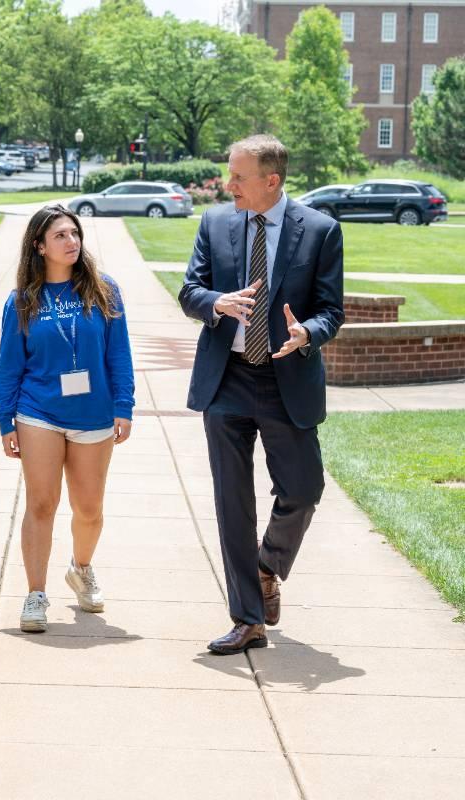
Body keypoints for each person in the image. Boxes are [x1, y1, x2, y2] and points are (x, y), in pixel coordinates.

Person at [179, 135, 343, 655]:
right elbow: (190, 291)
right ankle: (248, 619)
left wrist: (308, 334)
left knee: (303, 489)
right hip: (226, 379)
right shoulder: (215, 224)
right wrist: (216, 302)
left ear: (271, 181)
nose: (229, 185)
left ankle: (266, 565)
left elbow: (330, 309)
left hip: (284, 379)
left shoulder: (319, 231)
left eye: (239, 177)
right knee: (233, 502)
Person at [0, 204, 134, 633]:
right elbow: (9, 365)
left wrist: (123, 407)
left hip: (93, 412)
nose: (72, 242)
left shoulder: (103, 290)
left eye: (74, 234)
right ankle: (36, 593)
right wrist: (6, 421)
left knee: (88, 509)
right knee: (41, 503)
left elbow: (118, 353)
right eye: (60, 235)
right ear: (39, 246)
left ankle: (81, 567)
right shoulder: (21, 301)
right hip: (38, 411)